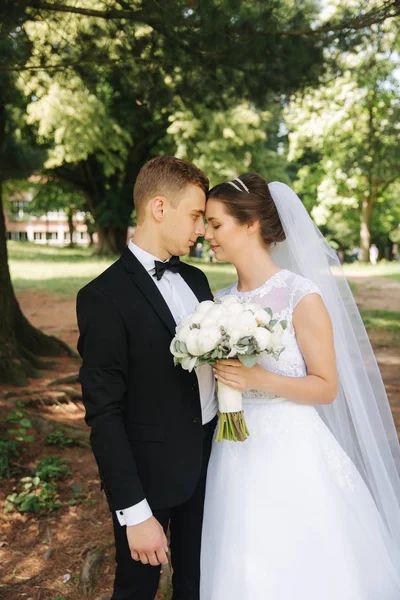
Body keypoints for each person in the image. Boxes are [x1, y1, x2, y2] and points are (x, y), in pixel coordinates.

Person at [201, 173, 400, 600]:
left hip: (291, 450)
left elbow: (327, 386)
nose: (206, 234)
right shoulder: (215, 303)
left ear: (251, 224)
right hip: (231, 451)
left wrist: (259, 379)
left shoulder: (300, 295)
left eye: (216, 224)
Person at [77, 156, 217, 600]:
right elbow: (104, 413)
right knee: (136, 589)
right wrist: (134, 512)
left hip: (210, 463)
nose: (201, 230)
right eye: (195, 216)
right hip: (148, 479)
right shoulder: (103, 297)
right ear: (160, 208)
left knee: (198, 583)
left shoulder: (196, 280)